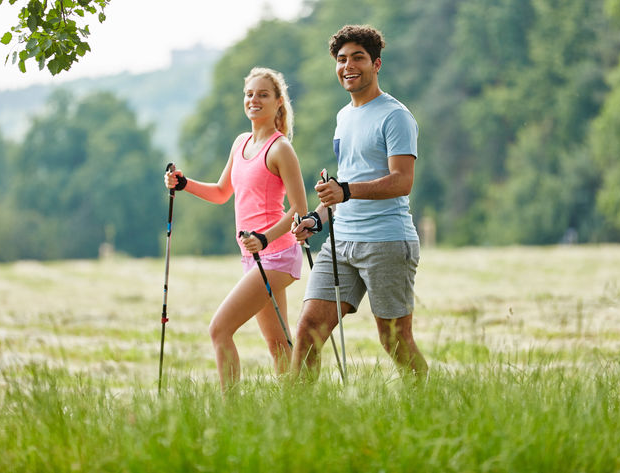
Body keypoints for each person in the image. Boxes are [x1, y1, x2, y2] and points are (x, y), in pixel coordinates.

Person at [292, 25, 428, 381]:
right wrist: (316, 219)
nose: (348, 66)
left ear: (376, 64)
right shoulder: (343, 117)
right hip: (341, 242)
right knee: (308, 329)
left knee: (395, 341)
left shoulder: (395, 115)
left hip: (386, 241)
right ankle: (295, 419)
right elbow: (343, 184)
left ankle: (430, 404)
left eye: (358, 58)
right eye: (341, 59)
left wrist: (348, 190)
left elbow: (402, 180)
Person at [164, 67, 308, 391]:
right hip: (253, 257)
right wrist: (184, 184)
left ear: (278, 103)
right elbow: (220, 192)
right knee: (278, 345)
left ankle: (231, 413)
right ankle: (298, 407)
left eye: (263, 94)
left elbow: (300, 207)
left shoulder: (280, 148)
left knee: (219, 329)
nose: (254, 100)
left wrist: (264, 237)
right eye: (249, 94)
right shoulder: (241, 143)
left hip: (278, 254)